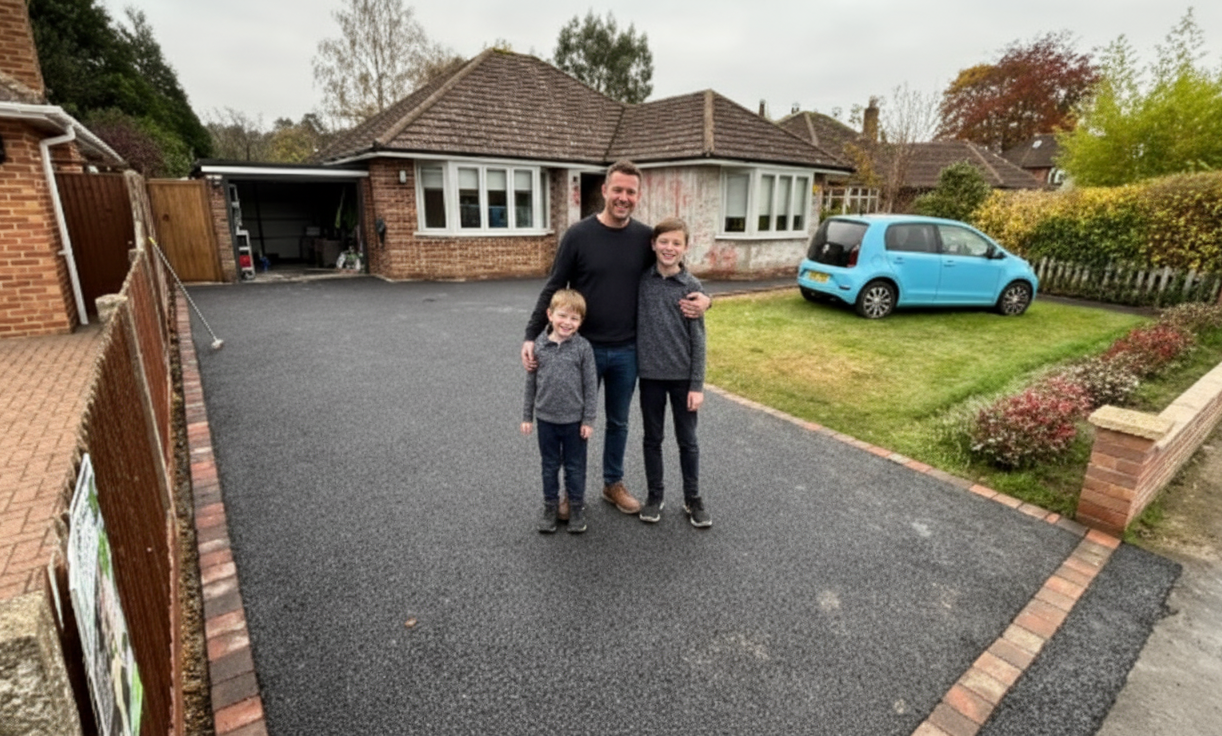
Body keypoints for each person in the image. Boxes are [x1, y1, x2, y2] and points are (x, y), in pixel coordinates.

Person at [522, 161, 711, 519]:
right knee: (572, 420)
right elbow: (553, 285)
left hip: (628, 351)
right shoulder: (578, 235)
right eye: (618, 190)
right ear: (605, 190)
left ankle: (613, 483)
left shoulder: (644, 238)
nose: (624, 197)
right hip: (584, 349)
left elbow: (675, 270)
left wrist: (708, 299)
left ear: (638, 196)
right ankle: (570, 493)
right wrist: (531, 334)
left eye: (631, 192)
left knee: (619, 422)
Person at [635, 218, 711, 528]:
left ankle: (692, 498)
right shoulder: (642, 281)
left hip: (683, 378)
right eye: (664, 241)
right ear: (653, 244)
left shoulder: (692, 288)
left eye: (676, 243)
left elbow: (699, 340)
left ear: (685, 248)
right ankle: (655, 496)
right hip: (650, 376)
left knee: (687, 441)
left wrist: (697, 385)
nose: (669, 248)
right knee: (652, 439)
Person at [521, 289, 598, 534]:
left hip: (574, 422)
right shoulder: (539, 347)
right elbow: (530, 384)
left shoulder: (583, 348)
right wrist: (527, 416)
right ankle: (550, 507)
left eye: (574, 319)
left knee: (575, 466)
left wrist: (588, 419)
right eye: (562, 316)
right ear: (550, 315)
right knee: (549, 465)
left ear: (580, 322)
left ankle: (576, 507)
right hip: (546, 420)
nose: (567, 322)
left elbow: (590, 387)